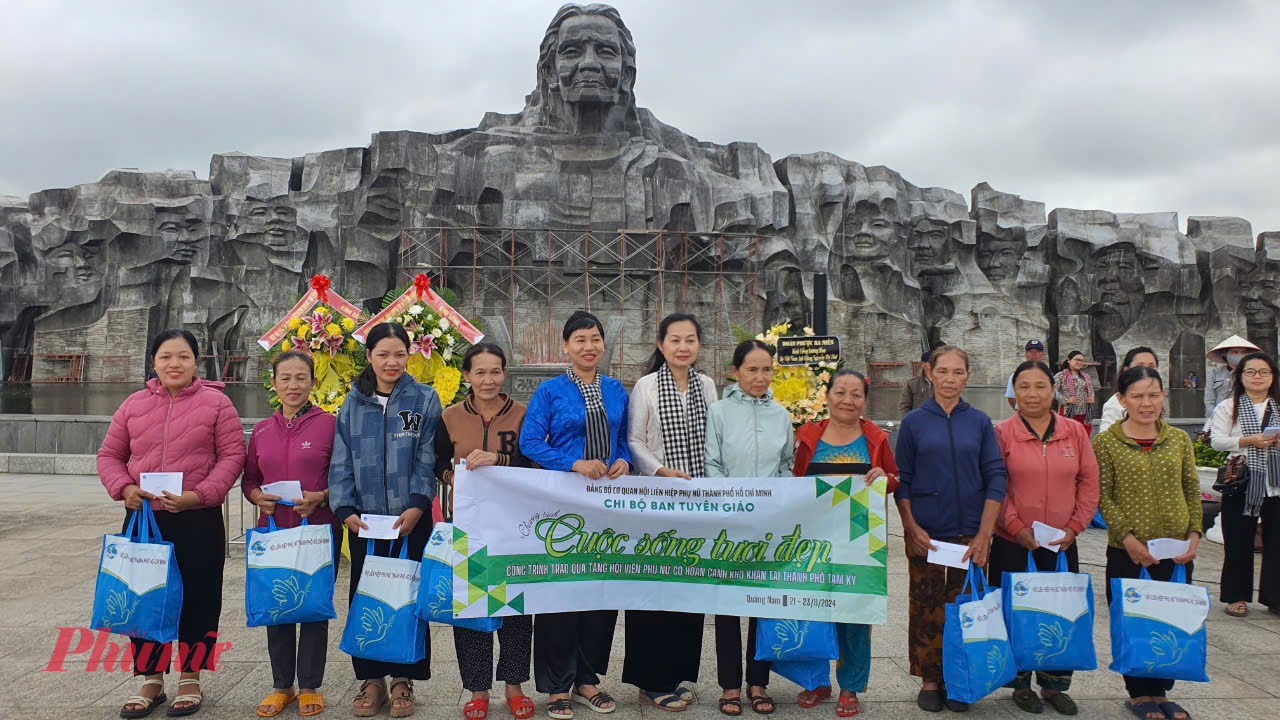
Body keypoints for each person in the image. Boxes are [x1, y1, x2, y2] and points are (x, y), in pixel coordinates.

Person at [97, 329, 246, 718]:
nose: (174, 364)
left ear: (196, 362)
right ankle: (151, 677)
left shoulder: (217, 404)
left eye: (182, 356)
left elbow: (232, 457)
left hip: (197, 517)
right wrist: (124, 488)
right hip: (145, 518)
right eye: (166, 357)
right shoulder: (133, 404)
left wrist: (201, 495)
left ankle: (191, 676)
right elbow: (109, 455)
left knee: (199, 596)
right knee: (143, 596)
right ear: (154, 362)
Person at [521, 311, 631, 719]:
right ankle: (555, 685)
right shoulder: (550, 391)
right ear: (566, 346)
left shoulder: (617, 389)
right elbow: (532, 441)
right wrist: (574, 463)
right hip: (565, 504)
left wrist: (622, 461)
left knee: (600, 592)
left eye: (595, 339)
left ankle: (587, 678)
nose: (589, 346)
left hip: (607, 507)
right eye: (581, 339)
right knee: (560, 591)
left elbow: (624, 440)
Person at [330, 322, 442, 719]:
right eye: (383, 354)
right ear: (370, 357)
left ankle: (403, 679)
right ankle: (372, 679)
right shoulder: (352, 402)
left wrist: (416, 505)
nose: (391, 362)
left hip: (411, 518)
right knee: (366, 596)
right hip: (365, 523)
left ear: (409, 355)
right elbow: (341, 461)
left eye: (399, 354)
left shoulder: (425, 399)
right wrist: (345, 510)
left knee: (410, 596)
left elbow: (428, 458)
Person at [894, 344, 1006, 713]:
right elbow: (903, 481)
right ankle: (929, 678)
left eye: (958, 372)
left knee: (964, 608)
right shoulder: (914, 422)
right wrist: (910, 528)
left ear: (967, 377)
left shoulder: (979, 422)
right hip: (927, 533)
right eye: (943, 371)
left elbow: (996, 477)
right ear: (929, 373)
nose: (950, 379)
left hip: (968, 534)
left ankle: (959, 678)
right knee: (927, 607)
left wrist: (984, 534)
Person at [988, 361, 1099, 716]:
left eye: (1040, 386)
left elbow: (1089, 481)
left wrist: (1076, 526)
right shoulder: (1001, 433)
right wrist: (1015, 526)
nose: (1032, 394)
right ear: (1013, 393)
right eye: (1023, 387)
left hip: (1061, 542)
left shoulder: (1074, 432)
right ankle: (1019, 682)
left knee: (1060, 612)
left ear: (1053, 391)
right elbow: (993, 486)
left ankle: (1054, 684)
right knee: (1016, 613)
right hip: (1014, 541)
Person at [1094, 367, 1201, 720]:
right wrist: (1127, 538)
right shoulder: (1107, 442)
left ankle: (1161, 691)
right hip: (1128, 551)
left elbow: (1191, 489)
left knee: (1170, 619)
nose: (1146, 403)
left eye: (1153, 395)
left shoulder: (1179, 440)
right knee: (1134, 621)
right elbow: (1103, 496)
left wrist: (1195, 535)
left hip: (1176, 550)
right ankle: (1139, 693)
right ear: (1121, 399)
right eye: (1137, 396)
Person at [436, 344, 535, 720]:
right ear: (467, 376)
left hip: (515, 526)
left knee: (516, 607)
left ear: (505, 374)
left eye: (495, 372)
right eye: (480, 373)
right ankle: (477, 689)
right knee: (472, 604)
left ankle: (514, 686)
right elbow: (436, 463)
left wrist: (500, 460)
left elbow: (535, 461)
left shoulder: (524, 415)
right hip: (470, 526)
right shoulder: (449, 417)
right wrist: (456, 478)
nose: (488, 380)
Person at [623, 313, 717, 712]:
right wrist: (661, 471)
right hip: (656, 501)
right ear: (660, 345)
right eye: (675, 340)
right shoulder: (646, 386)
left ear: (698, 346)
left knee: (688, 589)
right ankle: (650, 680)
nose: (683, 347)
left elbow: (716, 437)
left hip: (696, 502)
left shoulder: (708, 386)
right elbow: (634, 440)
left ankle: (675, 674)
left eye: (690, 340)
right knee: (653, 590)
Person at [793, 369, 899, 717]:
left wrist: (885, 477)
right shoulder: (808, 435)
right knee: (814, 611)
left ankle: (850, 686)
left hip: (860, 540)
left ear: (864, 401)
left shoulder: (876, 438)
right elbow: (793, 484)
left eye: (856, 394)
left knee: (855, 615)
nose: (847, 400)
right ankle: (815, 681)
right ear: (827, 396)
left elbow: (895, 478)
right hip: (816, 541)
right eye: (840, 392)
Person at [242, 351, 340, 718]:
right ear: (274, 383)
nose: (293, 385)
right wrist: (255, 495)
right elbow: (250, 478)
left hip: (318, 530)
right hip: (275, 532)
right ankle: (282, 685)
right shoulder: (263, 430)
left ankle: (310, 685)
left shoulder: (330, 425)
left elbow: (345, 476)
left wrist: (324, 497)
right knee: (277, 606)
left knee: (313, 605)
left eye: (301, 378)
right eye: (285, 378)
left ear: (313, 383)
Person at [704, 339, 795, 717]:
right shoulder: (720, 411)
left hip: (768, 525)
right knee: (728, 607)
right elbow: (712, 462)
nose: (760, 377)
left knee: (761, 604)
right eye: (752, 369)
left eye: (767, 369)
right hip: (730, 523)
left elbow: (787, 464)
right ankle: (729, 685)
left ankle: (758, 682)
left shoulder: (781, 415)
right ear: (736, 371)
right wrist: (731, 508)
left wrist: (776, 506)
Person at [1209, 351, 1280, 618]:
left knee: (1277, 541)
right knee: (1238, 539)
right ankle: (1236, 596)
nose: (1257, 377)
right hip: (1243, 480)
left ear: (1273, 377)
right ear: (1240, 376)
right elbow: (1217, 440)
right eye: (1250, 372)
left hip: (1276, 481)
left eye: (1264, 372)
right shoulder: (1228, 407)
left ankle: (1275, 597)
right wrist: (1249, 440)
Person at [1204, 335, 1261, 432]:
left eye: (1243, 352)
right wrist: (1218, 417)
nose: (1239, 355)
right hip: (1218, 420)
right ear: (1225, 354)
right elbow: (1209, 401)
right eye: (1235, 352)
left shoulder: (1255, 373)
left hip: (1248, 420)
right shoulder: (1215, 374)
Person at [1098, 347, 1159, 434]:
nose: (1146, 371)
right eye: (1139, 366)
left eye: (1151, 366)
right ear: (1126, 369)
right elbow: (1105, 440)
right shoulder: (1115, 404)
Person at [1054, 351, 1096, 434]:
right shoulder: (1060, 375)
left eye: (1082, 361)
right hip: (1068, 412)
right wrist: (1066, 400)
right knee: (1069, 437)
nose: (1080, 362)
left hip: (1084, 413)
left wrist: (1091, 397)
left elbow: (1091, 390)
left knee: (1084, 436)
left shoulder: (1085, 376)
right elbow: (1053, 391)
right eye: (1077, 360)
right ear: (1069, 360)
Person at [1006, 340, 1046, 409]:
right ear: (1026, 355)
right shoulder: (1015, 376)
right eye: (1030, 352)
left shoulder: (1049, 376)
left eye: (1037, 351)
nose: (1033, 354)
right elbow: (1011, 398)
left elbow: (1054, 397)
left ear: (1042, 355)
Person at [898, 349, 933, 418]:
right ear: (922, 364)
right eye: (930, 363)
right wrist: (909, 424)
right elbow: (905, 408)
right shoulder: (912, 384)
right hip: (918, 425)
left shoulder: (943, 383)